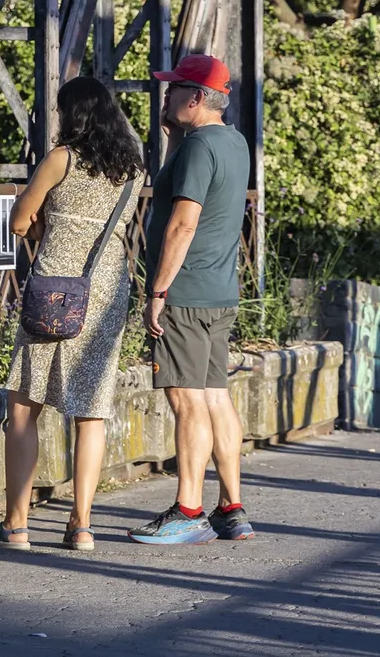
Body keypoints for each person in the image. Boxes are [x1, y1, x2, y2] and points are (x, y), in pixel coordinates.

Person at [0, 77, 144, 552]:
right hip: (106, 291)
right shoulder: (133, 169)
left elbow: (19, 221)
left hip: (55, 291)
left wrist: (50, 222)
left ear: (72, 115)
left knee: (24, 409)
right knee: (90, 412)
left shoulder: (61, 159)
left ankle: (17, 526)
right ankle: (82, 525)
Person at [128, 54, 255, 544]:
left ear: (197, 96)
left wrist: (158, 290)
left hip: (185, 292)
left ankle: (188, 511)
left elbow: (183, 222)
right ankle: (231, 509)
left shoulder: (199, 148)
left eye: (174, 88)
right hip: (220, 291)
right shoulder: (230, 141)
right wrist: (173, 134)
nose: (165, 96)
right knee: (216, 398)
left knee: (186, 402)